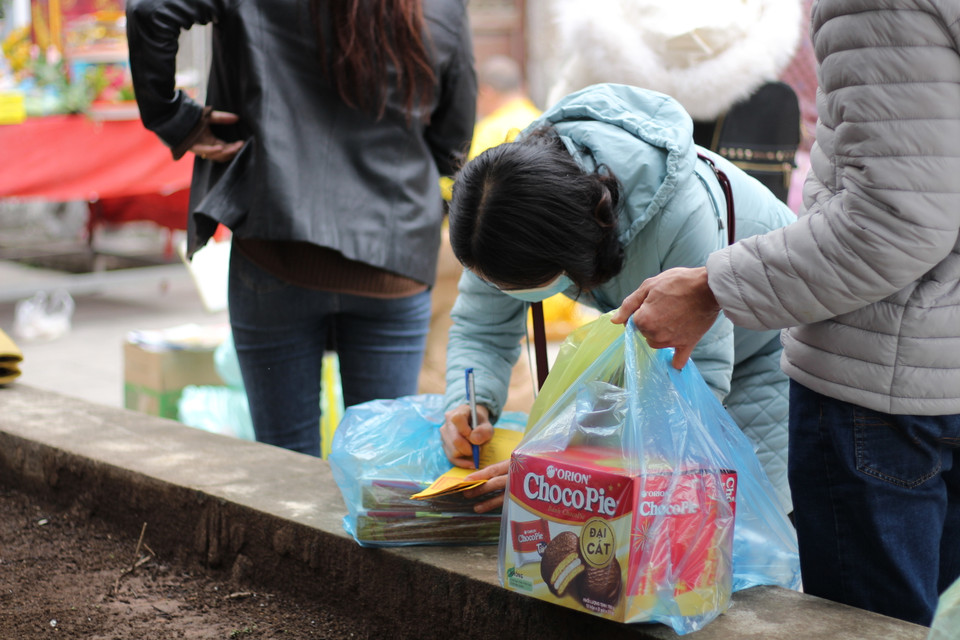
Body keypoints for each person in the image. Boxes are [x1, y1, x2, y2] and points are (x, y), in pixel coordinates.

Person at [612, 1, 960, 626]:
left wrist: (712, 286)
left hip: (886, 389)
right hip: (929, 368)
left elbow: (894, 222)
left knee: (871, 628)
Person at [126, 0, 477, 456]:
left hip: (276, 247)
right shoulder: (442, 7)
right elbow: (452, 143)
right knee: (379, 465)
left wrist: (174, 118)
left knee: (285, 463)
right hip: (393, 255)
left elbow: (150, 9)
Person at [439, 83, 797, 515]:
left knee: (730, 523)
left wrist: (561, 468)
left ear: (574, 252)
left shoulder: (678, 214)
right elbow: (481, 329)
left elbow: (692, 384)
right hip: (681, 364)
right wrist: (470, 404)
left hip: (769, 351)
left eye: (515, 286)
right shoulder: (497, 215)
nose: (503, 294)